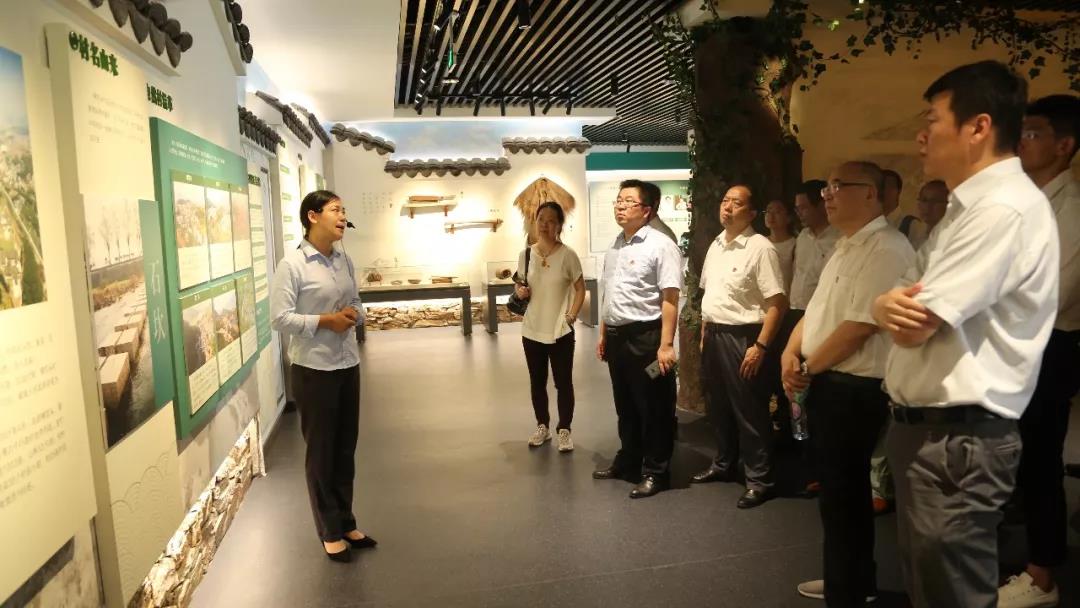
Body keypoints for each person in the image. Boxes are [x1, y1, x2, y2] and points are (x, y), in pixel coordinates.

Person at [872, 61, 1059, 608]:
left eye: (932, 119)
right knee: (932, 589)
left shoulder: (1002, 209)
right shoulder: (965, 209)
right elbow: (901, 289)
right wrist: (886, 304)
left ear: (978, 126)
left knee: (952, 594)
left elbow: (915, 324)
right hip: (935, 434)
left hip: (958, 438)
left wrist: (891, 306)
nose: (921, 135)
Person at [782, 161, 915, 605]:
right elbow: (818, 310)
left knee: (845, 492)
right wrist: (789, 352)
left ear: (871, 194)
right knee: (840, 494)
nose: (827, 195)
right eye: (827, 188)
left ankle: (850, 587)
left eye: (839, 186)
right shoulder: (846, 245)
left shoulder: (887, 248)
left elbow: (860, 326)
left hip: (853, 386)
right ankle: (849, 581)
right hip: (829, 379)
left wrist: (807, 368)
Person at [998, 93, 1080, 608]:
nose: (1020, 142)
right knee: (1008, 459)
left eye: (1031, 133)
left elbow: (1052, 294)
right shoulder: (1024, 202)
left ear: (1064, 145)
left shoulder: (1070, 209)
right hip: (1006, 343)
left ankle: (1043, 575)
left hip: (1047, 347)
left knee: (1039, 460)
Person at [270, 190, 376, 563]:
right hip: (314, 369)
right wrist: (325, 321)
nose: (343, 216)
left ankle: (346, 521)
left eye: (344, 210)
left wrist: (354, 315)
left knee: (345, 448)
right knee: (321, 451)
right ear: (313, 217)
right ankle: (329, 530)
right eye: (335, 210)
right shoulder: (293, 265)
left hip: (347, 363)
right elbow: (279, 318)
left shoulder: (344, 258)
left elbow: (357, 301)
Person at [691, 185, 788, 509]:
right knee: (717, 406)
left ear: (752, 213)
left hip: (744, 336)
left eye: (736, 203)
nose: (728, 207)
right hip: (715, 334)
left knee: (750, 409)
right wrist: (704, 334)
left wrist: (760, 346)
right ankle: (724, 463)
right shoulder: (716, 245)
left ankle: (760, 479)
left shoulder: (760, 248)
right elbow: (709, 295)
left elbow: (777, 303)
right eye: (725, 201)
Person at [593, 179, 683, 499]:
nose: (620, 206)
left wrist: (666, 344)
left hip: (647, 337)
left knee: (654, 406)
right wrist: (603, 333)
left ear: (646, 210)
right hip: (618, 337)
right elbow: (610, 294)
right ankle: (629, 460)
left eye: (628, 201)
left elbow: (670, 297)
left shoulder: (661, 245)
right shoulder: (615, 246)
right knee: (626, 404)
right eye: (618, 200)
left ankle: (656, 471)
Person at [515, 201, 586, 452]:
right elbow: (520, 283)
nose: (545, 225)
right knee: (537, 382)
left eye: (551, 221)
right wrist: (520, 290)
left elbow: (580, 289)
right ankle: (542, 426)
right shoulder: (526, 255)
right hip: (532, 329)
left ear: (559, 225)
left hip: (560, 330)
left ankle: (564, 429)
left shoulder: (568, 255)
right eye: (541, 220)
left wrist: (571, 315)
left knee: (563, 382)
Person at [881, 169, 924, 244]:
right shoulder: (869, 224)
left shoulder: (912, 225)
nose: (885, 190)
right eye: (881, 187)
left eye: (889, 186)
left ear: (899, 191)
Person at [764, 199, 798, 291]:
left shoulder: (795, 244)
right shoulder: (760, 243)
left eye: (777, 212)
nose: (771, 216)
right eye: (768, 211)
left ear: (789, 218)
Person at [910, 180, 949, 249]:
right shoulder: (917, 240)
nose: (928, 206)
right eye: (924, 200)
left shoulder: (949, 239)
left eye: (935, 201)